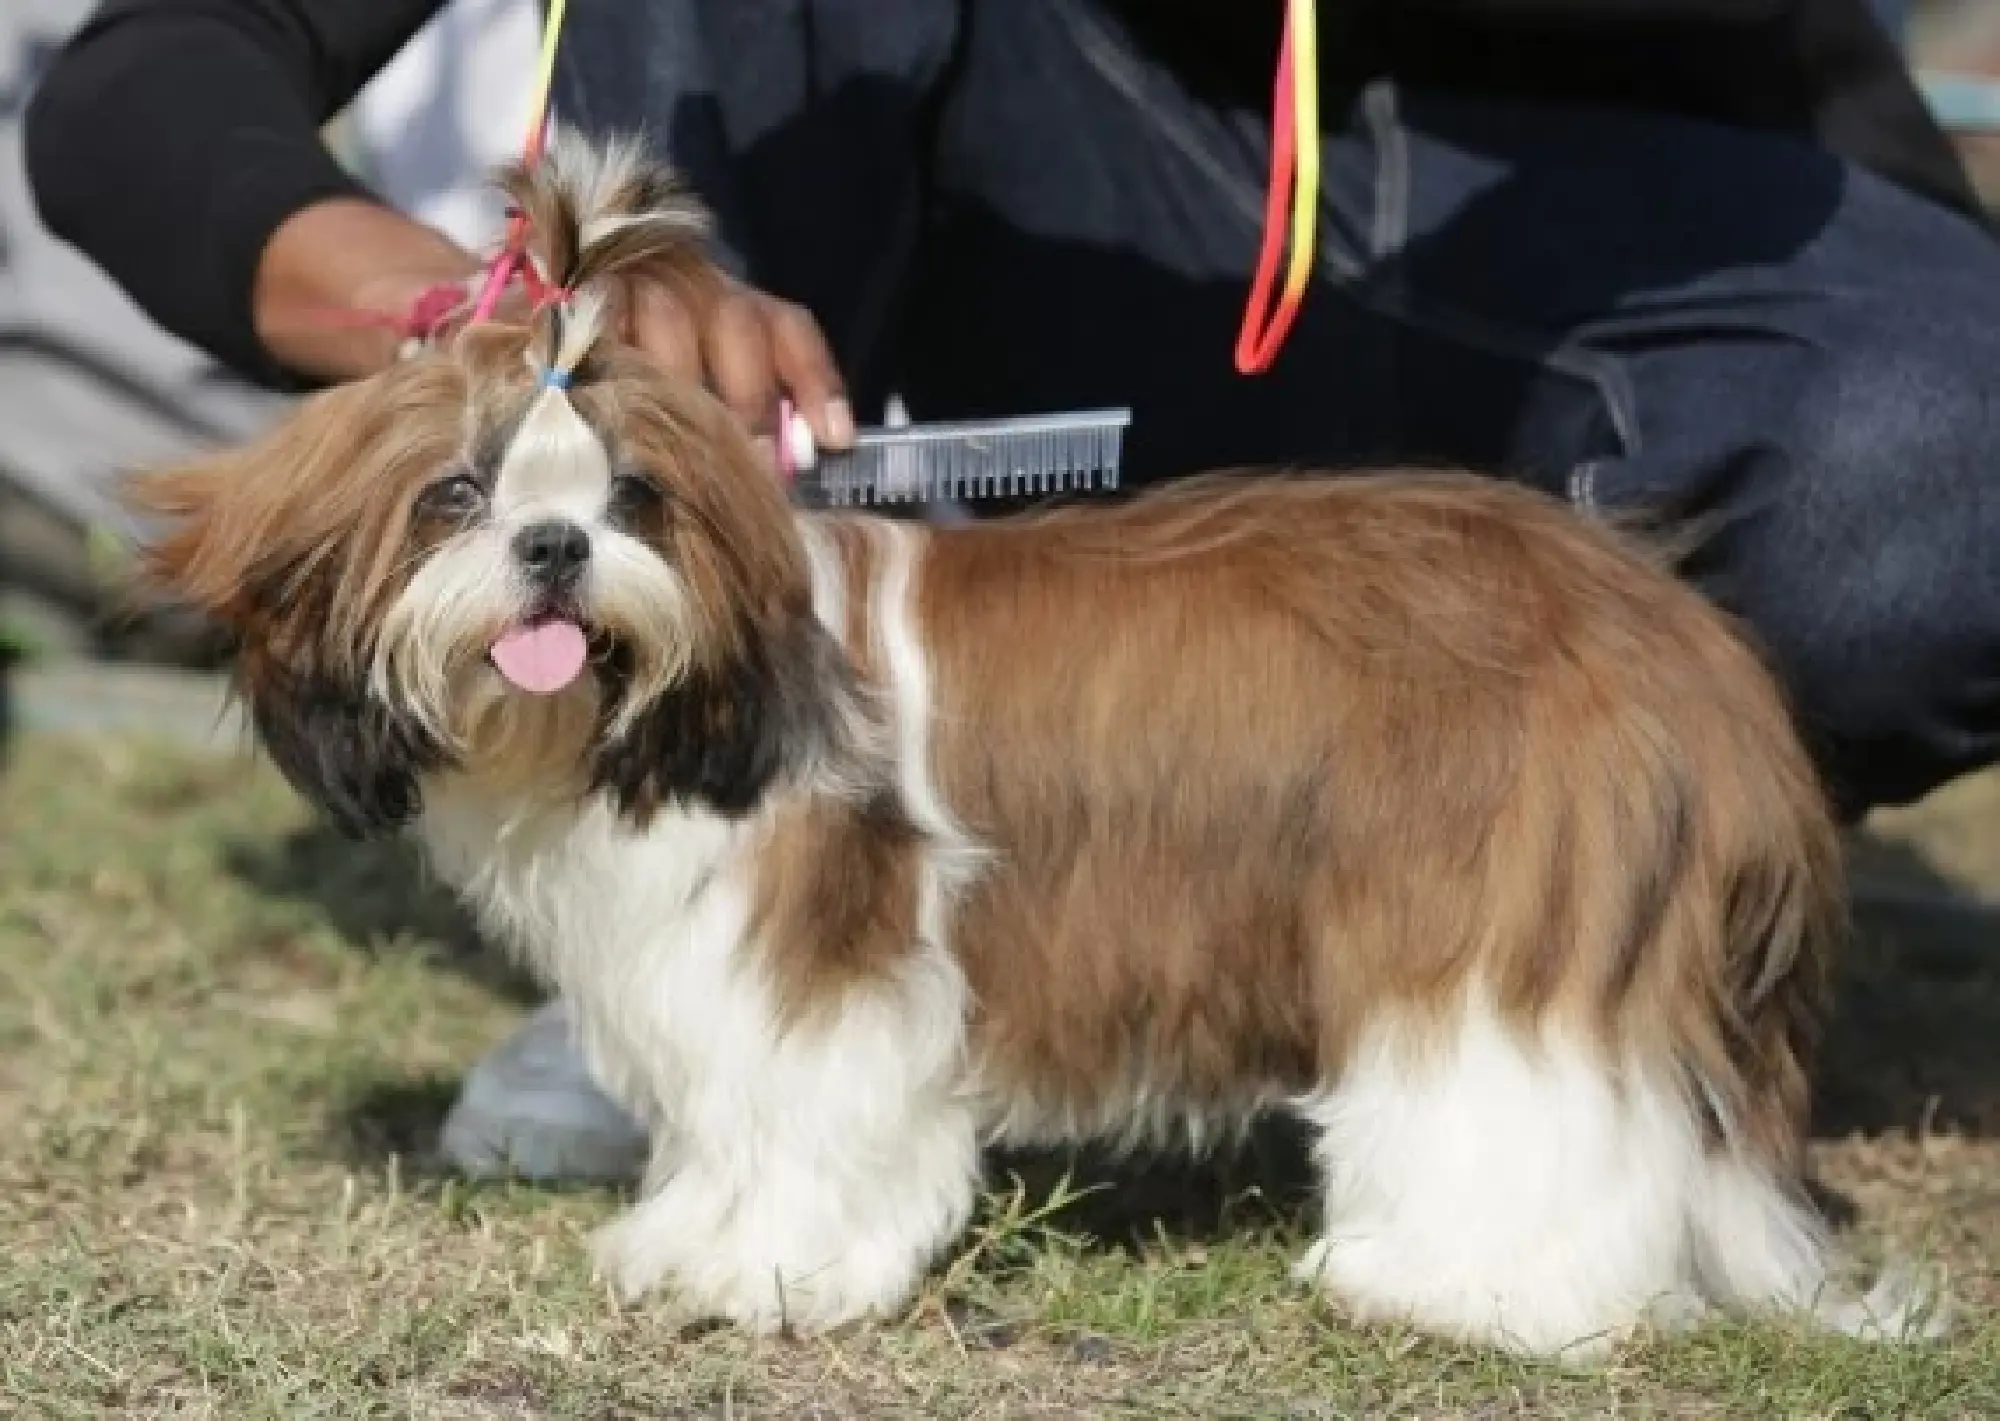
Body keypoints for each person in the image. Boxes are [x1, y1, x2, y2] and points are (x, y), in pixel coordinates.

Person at [25, 0, 2000, 1183]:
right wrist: (478, 321)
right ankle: (728, 935)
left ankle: (1538, 926)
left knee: (1958, 460)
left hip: (1558, 223)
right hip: (972, 286)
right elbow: (145, 79)